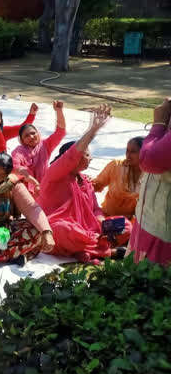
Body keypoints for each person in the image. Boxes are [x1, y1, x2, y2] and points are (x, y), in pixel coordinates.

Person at [38, 105, 129, 263]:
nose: (91, 158)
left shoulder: (85, 180)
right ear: (76, 158)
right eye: (87, 154)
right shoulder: (54, 174)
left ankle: (89, 251)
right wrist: (93, 130)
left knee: (125, 225)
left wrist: (100, 220)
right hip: (68, 230)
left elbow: (95, 208)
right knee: (63, 230)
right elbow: (72, 154)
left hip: (91, 230)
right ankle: (106, 251)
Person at [131, 98, 171, 265]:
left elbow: (150, 160)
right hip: (151, 217)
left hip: (161, 227)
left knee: (151, 282)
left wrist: (159, 123)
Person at [11, 101, 67, 197]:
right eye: (26, 136)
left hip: (45, 186)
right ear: (22, 140)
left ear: (38, 133)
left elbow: (60, 132)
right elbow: (14, 164)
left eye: (33, 133)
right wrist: (27, 175)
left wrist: (59, 111)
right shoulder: (19, 151)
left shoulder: (45, 145)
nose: (31, 137)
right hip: (25, 191)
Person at [92, 137, 144, 219]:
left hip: (132, 220)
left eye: (133, 152)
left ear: (144, 153)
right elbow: (97, 185)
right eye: (127, 150)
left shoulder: (150, 175)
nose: (128, 155)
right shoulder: (116, 165)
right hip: (107, 217)